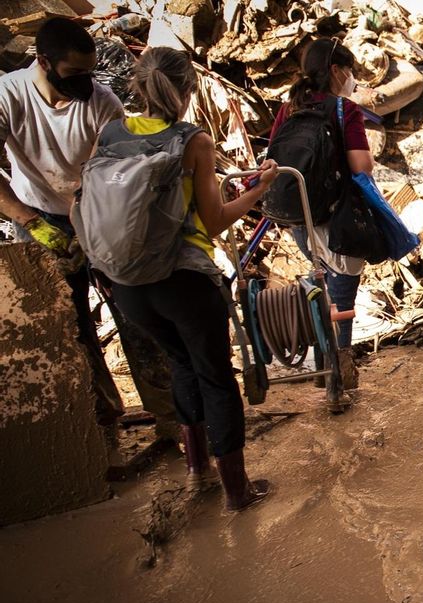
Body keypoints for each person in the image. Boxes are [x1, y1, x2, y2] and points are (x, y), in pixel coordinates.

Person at [106, 47, 277, 510]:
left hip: (128, 284)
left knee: (182, 365)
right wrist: (260, 189)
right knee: (217, 378)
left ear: (138, 87)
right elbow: (215, 219)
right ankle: (238, 492)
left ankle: (197, 469)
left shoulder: (112, 132)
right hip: (183, 281)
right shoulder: (193, 141)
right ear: (189, 89)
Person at [0, 17, 179, 450]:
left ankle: (171, 420)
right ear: (43, 61)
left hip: (100, 214)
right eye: (74, 74)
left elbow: (113, 174)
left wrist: (92, 226)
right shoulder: (8, 95)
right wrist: (31, 222)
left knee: (136, 314)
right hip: (38, 214)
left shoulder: (102, 102)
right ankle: (98, 427)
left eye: (90, 73)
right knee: (68, 326)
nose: (85, 83)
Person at [269, 38, 369, 350]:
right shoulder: (345, 109)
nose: (352, 77)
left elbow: (272, 160)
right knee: (341, 298)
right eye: (349, 69)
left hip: (299, 218)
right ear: (336, 71)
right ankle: (338, 372)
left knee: (321, 288)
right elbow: (362, 167)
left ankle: (325, 363)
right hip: (336, 220)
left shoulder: (290, 108)